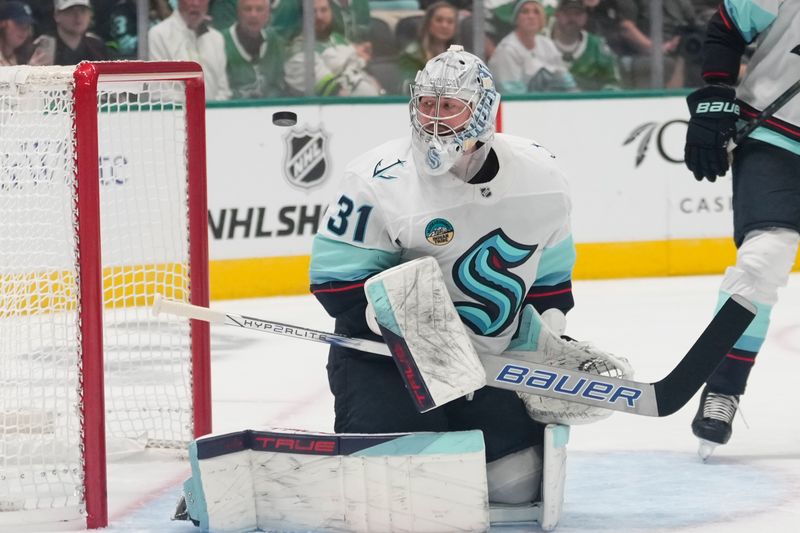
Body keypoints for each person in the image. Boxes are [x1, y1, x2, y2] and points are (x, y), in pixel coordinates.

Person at [308, 45, 580, 506]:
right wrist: (404, 328)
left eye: (449, 106)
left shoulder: (541, 175)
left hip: (488, 365)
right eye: (426, 105)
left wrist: (549, 336)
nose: (433, 120)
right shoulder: (377, 179)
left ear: (484, 111)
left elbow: (550, 278)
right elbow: (337, 283)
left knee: (515, 487)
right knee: (411, 494)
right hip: (388, 365)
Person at [684, 0, 800, 456]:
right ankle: (723, 387)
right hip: (776, 135)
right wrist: (715, 97)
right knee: (764, 258)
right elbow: (727, 29)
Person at [284, 0, 381, 96]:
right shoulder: (299, 55)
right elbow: (336, 96)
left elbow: (362, 71)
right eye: (313, 12)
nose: (319, 16)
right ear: (302, 17)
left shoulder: (338, 39)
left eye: (324, 10)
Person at [148, 0, 232, 100]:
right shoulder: (159, 35)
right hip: (176, 114)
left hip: (215, 114)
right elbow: (160, 93)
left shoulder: (217, 39)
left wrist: (214, 113)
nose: (195, 3)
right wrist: (196, 112)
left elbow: (223, 91)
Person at [489, 0, 576, 93]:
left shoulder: (547, 44)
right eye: (525, 12)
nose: (531, 16)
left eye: (536, 12)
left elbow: (566, 81)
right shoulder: (507, 50)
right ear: (516, 18)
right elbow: (510, 91)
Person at [548, 0, 620, 91]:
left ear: (585, 17)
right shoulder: (540, 45)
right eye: (567, 13)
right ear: (557, 15)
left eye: (577, 14)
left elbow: (614, 84)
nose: (572, 18)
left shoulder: (598, 47)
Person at [222, 0, 288, 99]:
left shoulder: (274, 41)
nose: (253, 15)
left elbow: (280, 86)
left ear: (267, 14)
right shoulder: (222, 42)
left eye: (259, 9)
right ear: (238, 13)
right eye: (248, 9)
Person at [396, 1, 459, 92]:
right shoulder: (411, 56)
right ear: (428, 23)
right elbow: (410, 87)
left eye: (450, 22)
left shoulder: (461, 57)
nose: (444, 25)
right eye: (439, 20)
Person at [29, 0, 111, 65]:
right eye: (71, 10)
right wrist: (32, 70)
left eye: (83, 10)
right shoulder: (43, 46)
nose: (78, 16)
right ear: (57, 15)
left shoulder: (97, 46)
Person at [0, 1, 35, 66]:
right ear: (2, 23)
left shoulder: (22, 57)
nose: (24, 29)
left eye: (28, 25)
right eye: (19, 23)